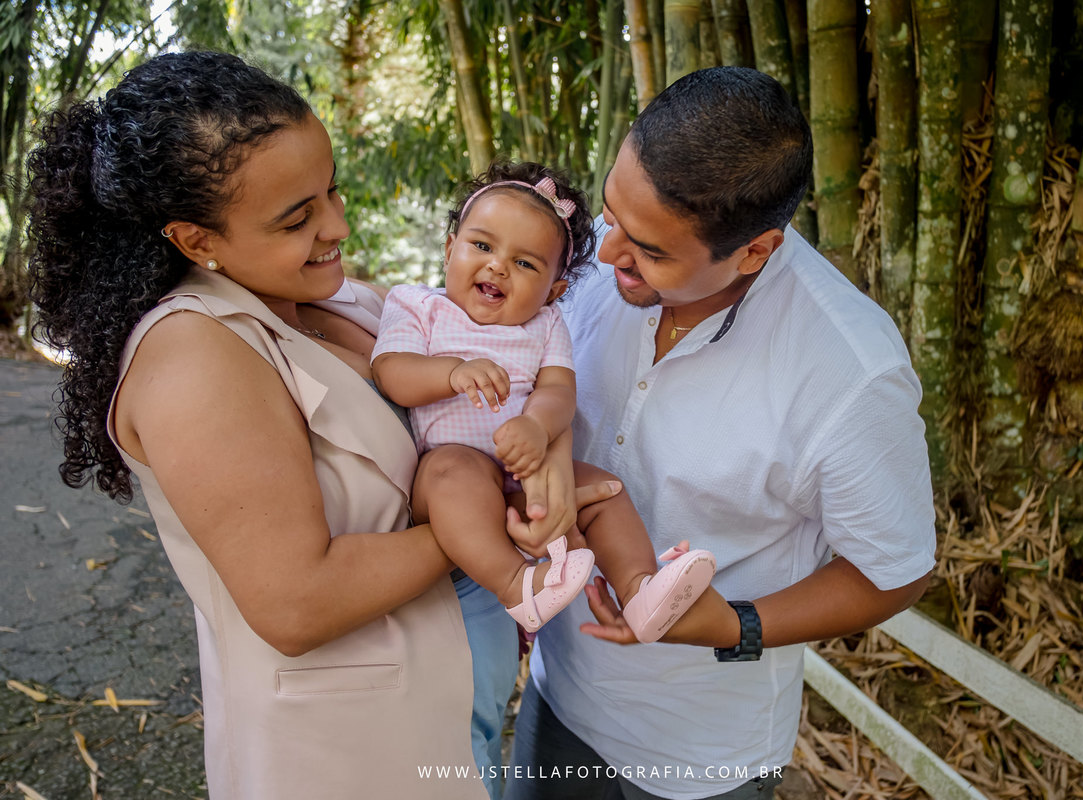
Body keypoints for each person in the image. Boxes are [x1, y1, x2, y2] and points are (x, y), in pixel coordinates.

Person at [24, 50, 617, 800]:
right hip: (347, 754)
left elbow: (515, 382)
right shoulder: (194, 355)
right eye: (297, 216)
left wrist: (549, 454)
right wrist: (488, 521)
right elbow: (297, 602)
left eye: (329, 189)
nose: (337, 223)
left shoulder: (337, 301)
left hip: (442, 710)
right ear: (197, 240)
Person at [504, 67, 938, 800]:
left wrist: (736, 625)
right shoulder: (586, 265)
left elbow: (896, 569)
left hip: (703, 754)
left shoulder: (850, 370)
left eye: (650, 249)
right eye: (611, 211)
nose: (607, 253)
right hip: (558, 695)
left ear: (755, 250)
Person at [372, 159, 717, 645]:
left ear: (553, 290)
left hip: (528, 474)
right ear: (451, 249)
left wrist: (536, 426)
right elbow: (392, 374)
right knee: (452, 473)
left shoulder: (545, 325)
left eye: (525, 263)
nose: (497, 266)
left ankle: (640, 591)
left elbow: (558, 391)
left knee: (607, 491)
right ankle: (518, 584)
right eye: (482, 245)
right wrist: (452, 372)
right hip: (450, 471)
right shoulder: (419, 306)